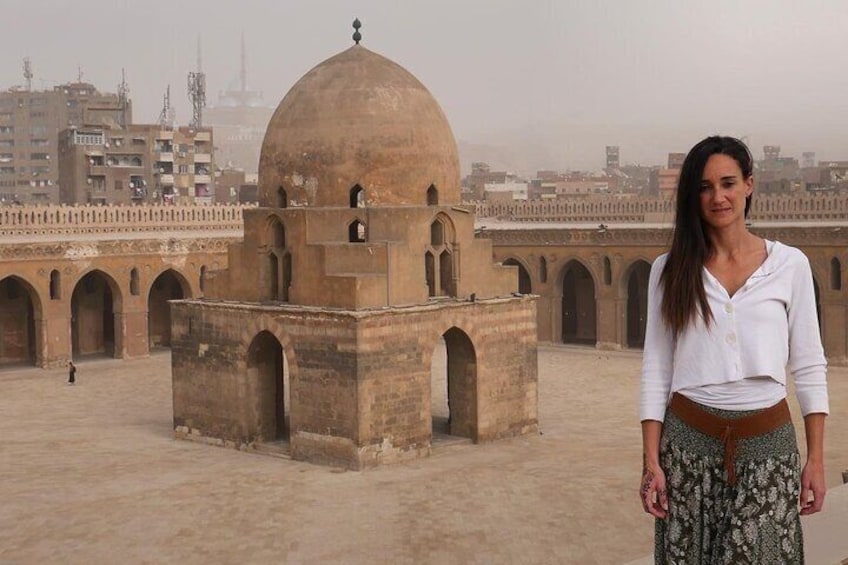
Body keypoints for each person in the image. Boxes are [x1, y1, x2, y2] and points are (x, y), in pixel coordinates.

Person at [639, 136, 828, 564]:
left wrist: (815, 459)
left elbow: (810, 364)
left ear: (749, 185)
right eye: (704, 187)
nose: (717, 196)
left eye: (727, 183)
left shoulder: (789, 265)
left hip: (769, 450)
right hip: (688, 450)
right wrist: (652, 461)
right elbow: (656, 368)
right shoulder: (669, 270)